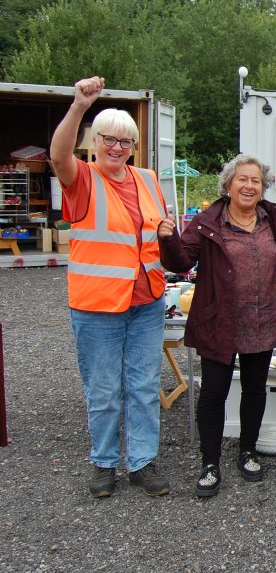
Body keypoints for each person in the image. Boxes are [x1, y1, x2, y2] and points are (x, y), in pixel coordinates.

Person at [50, 76, 172, 498]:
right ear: (95, 141)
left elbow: (154, 230)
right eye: (109, 140)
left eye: (126, 142)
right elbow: (58, 153)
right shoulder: (80, 178)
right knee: (103, 389)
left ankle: (141, 461)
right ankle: (104, 463)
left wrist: (168, 230)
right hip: (98, 304)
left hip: (147, 302)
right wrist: (78, 106)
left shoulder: (148, 179)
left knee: (142, 386)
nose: (117, 148)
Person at [158, 154, 276, 498]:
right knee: (214, 392)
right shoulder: (209, 222)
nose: (250, 186)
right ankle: (210, 462)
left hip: (263, 320)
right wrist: (167, 239)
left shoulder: (271, 219)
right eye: (243, 179)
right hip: (220, 323)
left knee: (254, 389)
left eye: (256, 181)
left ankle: (247, 451)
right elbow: (180, 261)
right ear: (228, 185)